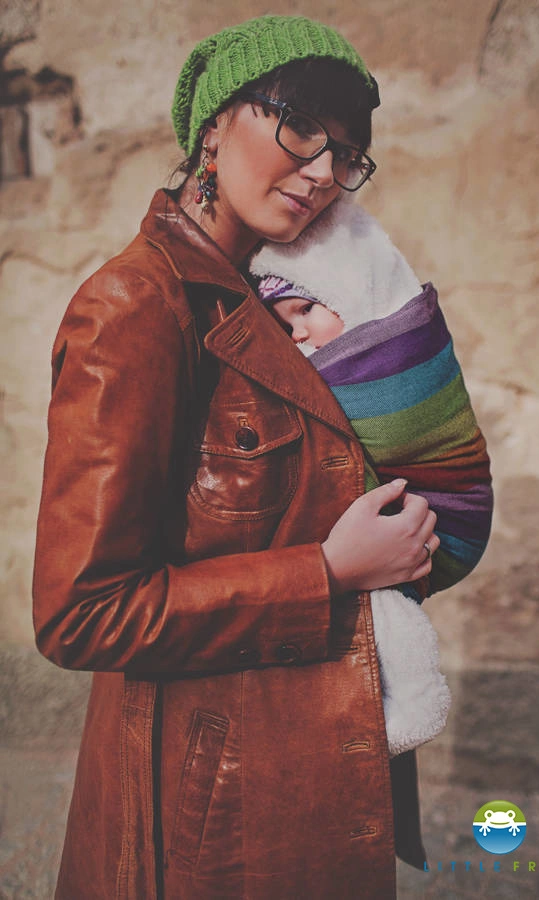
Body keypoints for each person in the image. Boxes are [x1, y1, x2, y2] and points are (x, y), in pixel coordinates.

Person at [32, 15, 441, 900]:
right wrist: (327, 573)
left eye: (346, 154)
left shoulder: (298, 298)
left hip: (313, 772)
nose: (323, 171)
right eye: (300, 126)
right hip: (211, 813)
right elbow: (83, 615)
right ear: (213, 128)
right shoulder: (134, 308)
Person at [251, 200, 493, 756]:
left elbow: (411, 429)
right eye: (285, 325)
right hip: (402, 528)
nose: (298, 334)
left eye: (306, 308)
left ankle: (417, 701)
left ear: (349, 293)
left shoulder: (397, 347)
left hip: (444, 511)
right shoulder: (319, 352)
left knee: (383, 604)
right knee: (377, 601)